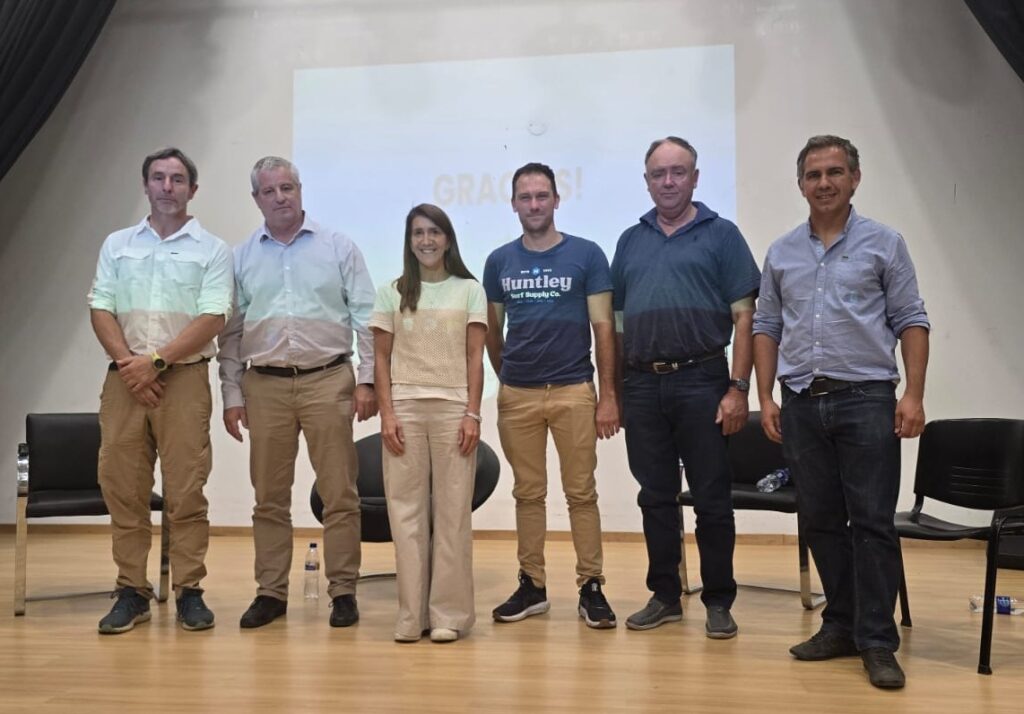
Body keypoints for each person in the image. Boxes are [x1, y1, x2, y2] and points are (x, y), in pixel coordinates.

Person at [752, 135, 930, 689]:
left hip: (867, 400)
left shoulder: (884, 243)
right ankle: (841, 624)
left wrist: (914, 395)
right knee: (822, 522)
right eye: (813, 174)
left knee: (873, 524)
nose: (823, 183)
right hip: (803, 403)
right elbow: (766, 327)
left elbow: (911, 320)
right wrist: (765, 397)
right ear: (800, 183)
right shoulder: (781, 252)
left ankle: (877, 641)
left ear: (855, 178)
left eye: (834, 172)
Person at [218, 156, 377, 629]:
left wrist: (367, 380)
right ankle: (271, 593)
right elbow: (230, 332)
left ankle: (343, 591)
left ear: (300, 190)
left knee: (340, 493)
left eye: (287, 187)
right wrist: (231, 395)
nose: (280, 197)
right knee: (268, 497)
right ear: (257, 199)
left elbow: (365, 318)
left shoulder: (337, 246)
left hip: (328, 379)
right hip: (263, 386)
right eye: (270, 191)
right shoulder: (241, 256)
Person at [611, 137, 760, 638]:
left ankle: (719, 600)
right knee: (654, 497)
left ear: (695, 177)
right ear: (647, 180)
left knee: (712, 498)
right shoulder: (631, 240)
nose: (668, 181)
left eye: (678, 172)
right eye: (659, 173)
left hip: (702, 380)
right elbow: (614, 326)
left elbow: (746, 318)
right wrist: (613, 391)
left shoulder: (722, 235)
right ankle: (665, 596)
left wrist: (739, 388)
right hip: (642, 384)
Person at [88, 147, 233, 634]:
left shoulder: (212, 249)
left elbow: (213, 316)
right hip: (123, 380)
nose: (167, 186)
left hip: (184, 380)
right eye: (158, 178)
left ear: (192, 190)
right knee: (124, 490)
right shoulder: (117, 244)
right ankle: (132, 591)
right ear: (146, 186)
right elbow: (100, 307)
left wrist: (155, 362)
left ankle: (190, 590)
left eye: (177, 179)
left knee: (186, 489)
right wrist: (132, 367)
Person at [483, 162, 619, 629]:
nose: (535, 205)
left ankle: (591, 586)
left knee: (582, 493)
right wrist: (509, 377)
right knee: (528, 494)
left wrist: (606, 395)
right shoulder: (499, 261)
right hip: (517, 396)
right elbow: (491, 332)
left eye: (542, 196)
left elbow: (604, 330)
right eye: (526, 197)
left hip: (574, 390)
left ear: (557, 200)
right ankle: (533, 585)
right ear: (514, 204)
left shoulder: (587, 255)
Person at [369, 203, 487, 643]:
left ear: (448, 238)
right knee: (406, 515)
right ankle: (410, 616)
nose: (426, 240)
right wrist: (387, 413)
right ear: (409, 240)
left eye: (434, 232)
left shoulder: (469, 290)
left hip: (454, 410)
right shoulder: (392, 292)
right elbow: (381, 358)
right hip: (405, 410)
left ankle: (448, 617)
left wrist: (473, 413)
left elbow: (476, 358)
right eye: (418, 232)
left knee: (453, 513)